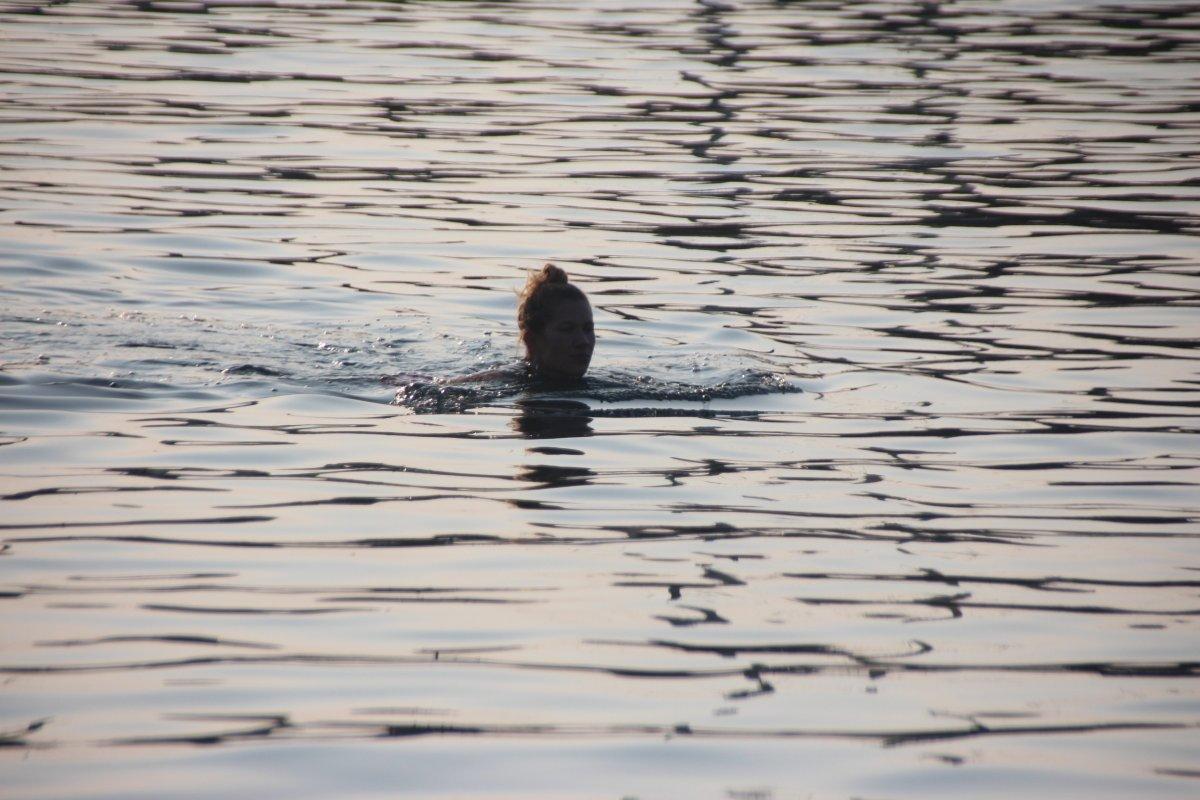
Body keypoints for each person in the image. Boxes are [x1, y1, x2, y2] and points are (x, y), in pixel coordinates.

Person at [517, 263, 595, 381]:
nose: (583, 341)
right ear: (531, 341)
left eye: (588, 329)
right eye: (567, 329)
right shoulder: (498, 382)